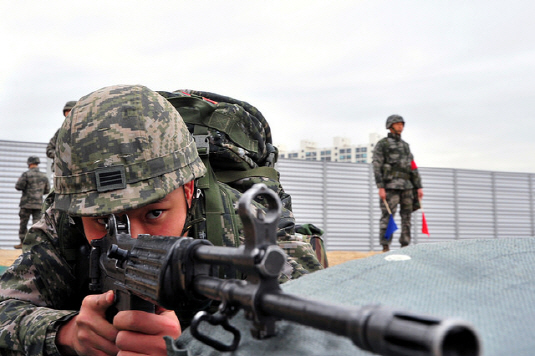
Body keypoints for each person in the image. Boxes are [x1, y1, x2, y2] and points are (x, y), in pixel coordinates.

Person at [0, 84, 320, 356]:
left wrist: (192, 347)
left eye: (153, 213)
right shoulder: (66, 223)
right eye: (103, 221)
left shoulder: (246, 231)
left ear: (188, 188)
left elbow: (316, 333)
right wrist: (65, 333)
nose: (134, 240)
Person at [372, 114, 423, 252]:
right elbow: (377, 165)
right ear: (390, 125)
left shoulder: (405, 146)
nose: (400, 126)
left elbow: (412, 166)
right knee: (388, 216)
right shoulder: (383, 144)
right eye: (397, 123)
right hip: (390, 187)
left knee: (407, 217)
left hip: (407, 187)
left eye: (402, 124)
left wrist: (418, 186)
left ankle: (405, 246)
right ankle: (385, 246)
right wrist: (380, 186)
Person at [14, 156, 50, 249]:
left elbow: (18, 186)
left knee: (23, 223)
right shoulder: (44, 176)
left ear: (29, 163)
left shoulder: (26, 174)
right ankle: (35, 244)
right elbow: (47, 190)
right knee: (37, 224)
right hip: (38, 204)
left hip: (26, 204)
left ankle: (23, 243)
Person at [46, 100, 77, 171]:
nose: (68, 114)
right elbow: (49, 149)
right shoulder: (60, 132)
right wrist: (60, 155)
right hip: (62, 170)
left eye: (71, 111)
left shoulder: (84, 129)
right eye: (67, 111)